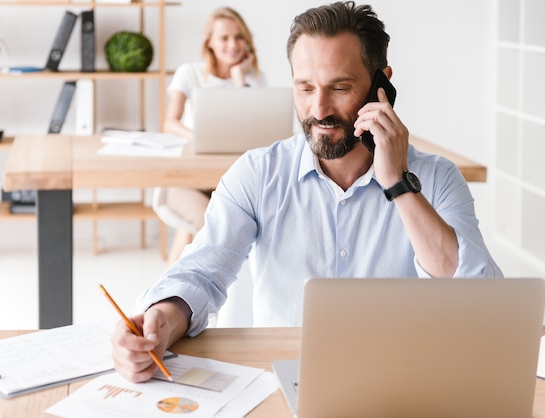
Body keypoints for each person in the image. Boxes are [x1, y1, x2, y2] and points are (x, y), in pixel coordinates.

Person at [113, 1, 503, 383]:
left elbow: (483, 305)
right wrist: (161, 318)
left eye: (340, 87)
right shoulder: (258, 174)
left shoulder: (435, 179)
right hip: (283, 380)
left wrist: (399, 184)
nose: (319, 110)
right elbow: (201, 274)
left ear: (382, 83)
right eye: (305, 88)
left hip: (402, 384)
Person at [153, 7, 265, 261]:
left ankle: (171, 294)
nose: (233, 44)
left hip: (227, 179)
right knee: (209, 224)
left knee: (220, 226)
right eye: (224, 38)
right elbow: (169, 122)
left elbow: (255, 128)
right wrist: (198, 136)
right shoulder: (190, 73)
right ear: (210, 42)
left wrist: (239, 78)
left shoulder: (254, 79)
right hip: (184, 179)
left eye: (238, 37)